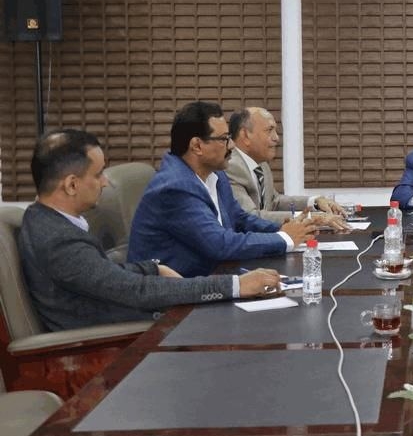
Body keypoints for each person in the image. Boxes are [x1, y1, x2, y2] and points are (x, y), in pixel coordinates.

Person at [17, 129, 280, 331]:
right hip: (109, 346)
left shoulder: (48, 220)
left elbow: (102, 273)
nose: (105, 183)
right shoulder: (58, 240)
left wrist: (152, 268)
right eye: (98, 175)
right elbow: (136, 291)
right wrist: (236, 285)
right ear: (71, 185)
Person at [129, 101, 317, 277]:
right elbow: (220, 244)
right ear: (197, 146)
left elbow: (240, 219)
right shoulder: (175, 187)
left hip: (212, 275)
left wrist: (281, 228)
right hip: (176, 290)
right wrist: (284, 238)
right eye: (224, 139)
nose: (232, 145)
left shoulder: (216, 174)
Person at [226, 107, 348, 230]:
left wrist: (314, 202)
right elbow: (250, 217)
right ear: (245, 135)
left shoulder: (261, 164)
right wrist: (311, 217)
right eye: (269, 130)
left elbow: (275, 202)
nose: (276, 138)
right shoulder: (231, 166)